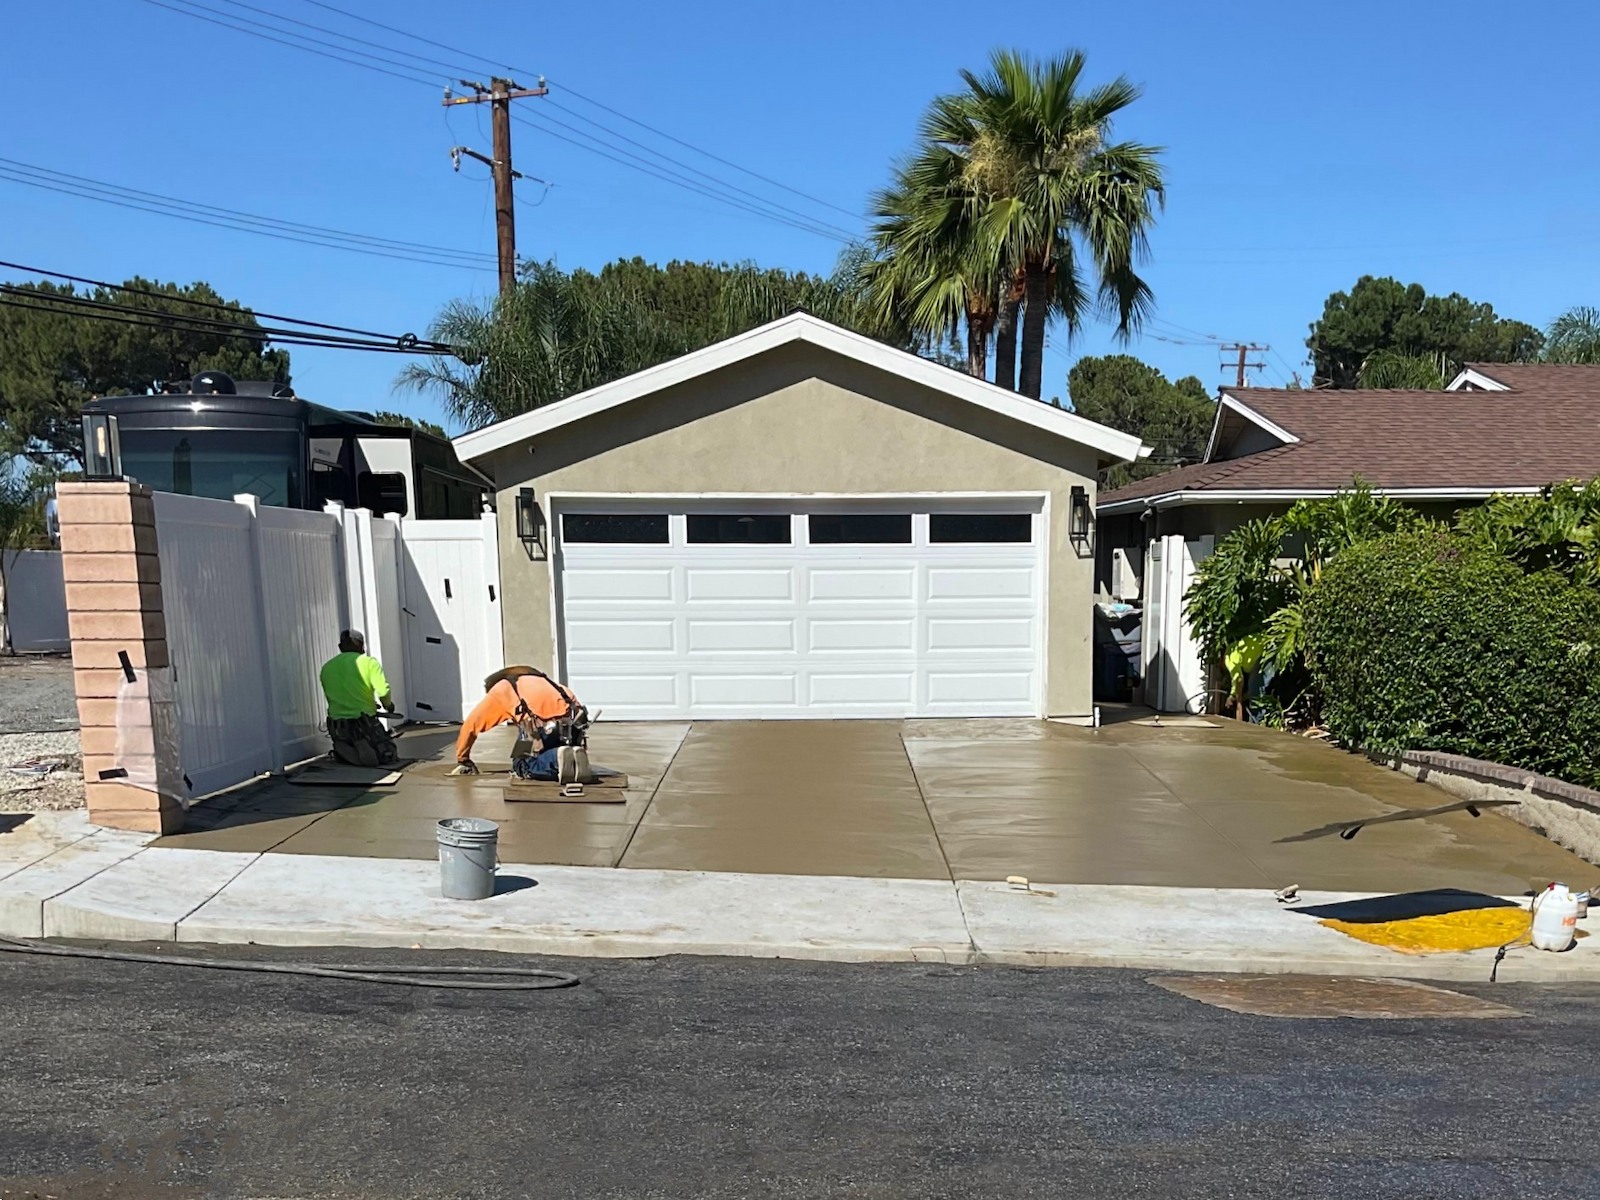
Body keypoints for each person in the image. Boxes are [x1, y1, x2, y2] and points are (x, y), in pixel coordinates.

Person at [450, 665, 585, 777]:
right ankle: (569, 755)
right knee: (536, 750)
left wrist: (463, 758)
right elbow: (576, 706)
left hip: (537, 728)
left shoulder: (502, 688)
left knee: (522, 766)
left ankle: (556, 758)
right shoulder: (546, 681)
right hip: (569, 727)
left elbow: (471, 724)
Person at [319, 629, 398, 767]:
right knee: (388, 754)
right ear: (362, 646)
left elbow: (342, 693)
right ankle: (365, 749)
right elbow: (383, 691)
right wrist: (388, 705)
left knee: (351, 743)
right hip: (364, 724)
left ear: (340, 647)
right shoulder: (368, 662)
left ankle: (344, 748)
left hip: (337, 725)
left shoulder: (327, 667)